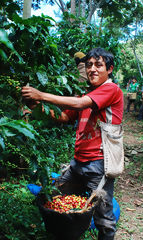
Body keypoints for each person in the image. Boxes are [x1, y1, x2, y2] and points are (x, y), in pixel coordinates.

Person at [22, 47, 124, 240]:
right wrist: (35, 106)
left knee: (104, 218)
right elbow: (62, 117)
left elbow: (79, 104)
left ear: (109, 69)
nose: (92, 69)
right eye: (89, 65)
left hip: (99, 164)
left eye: (98, 65)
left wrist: (40, 95)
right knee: (53, 197)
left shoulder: (111, 89)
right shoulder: (85, 94)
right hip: (78, 163)